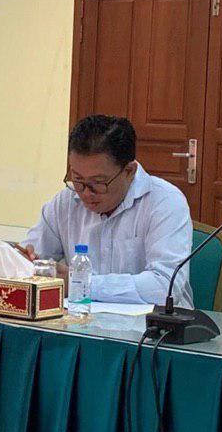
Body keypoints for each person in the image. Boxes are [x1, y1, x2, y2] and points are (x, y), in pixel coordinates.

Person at [20, 114, 193, 307]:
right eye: (78, 180)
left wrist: (82, 284)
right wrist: (20, 262)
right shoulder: (66, 202)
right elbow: (31, 258)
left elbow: (165, 286)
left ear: (129, 172)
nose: (86, 193)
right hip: (80, 319)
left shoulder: (165, 202)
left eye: (98, 183)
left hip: (152, 323)